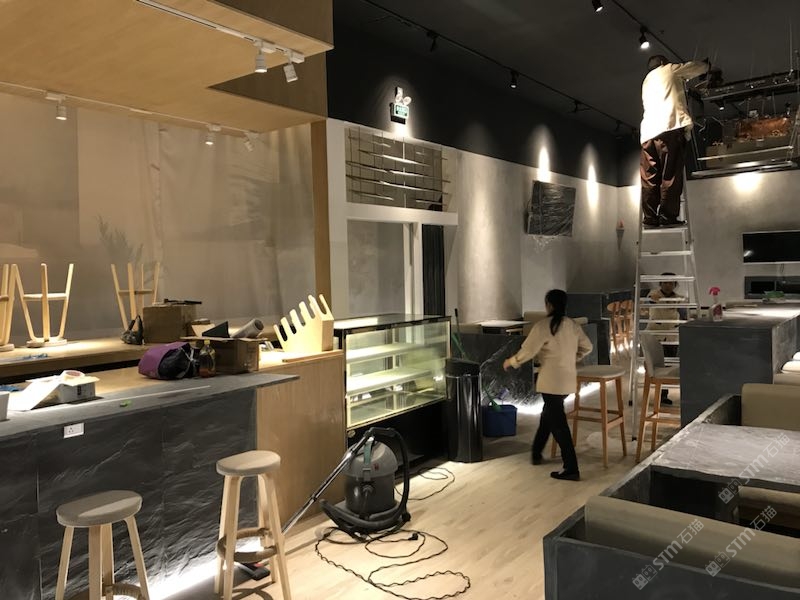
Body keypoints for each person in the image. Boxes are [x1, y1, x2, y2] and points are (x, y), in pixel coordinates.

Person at [503, 289, 593, 481]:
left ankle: (571, 467)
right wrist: (573, 357)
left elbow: (528, 351)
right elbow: (588, 347)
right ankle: (536, 452)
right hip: (567, 380)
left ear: (549, 305)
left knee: (558, 424)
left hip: (551, 381)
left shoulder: (543, 326)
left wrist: (511, 361)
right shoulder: (572, 325)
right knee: (549, 414)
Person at [640, 55, 708, 228]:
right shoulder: (670, 69)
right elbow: (697, 67)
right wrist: (707, 64)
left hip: (648, 134)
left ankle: (649, 217)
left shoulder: (646, 81)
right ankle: (667, 216)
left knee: (649, 178)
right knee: (670, 174)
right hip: (670, 128)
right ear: (664, 63)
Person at [643, 273, 683, 405]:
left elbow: (681, 310)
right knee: (655, 364)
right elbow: (650, 300)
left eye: (671, 283)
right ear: (660, 284)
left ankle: (664, 394)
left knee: (668, 364)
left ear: (675, 285)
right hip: (656, 334)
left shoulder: (678, 298)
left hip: (671, 335)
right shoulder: (654, 294)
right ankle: (657, 393)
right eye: (665, 282)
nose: (667, 285)